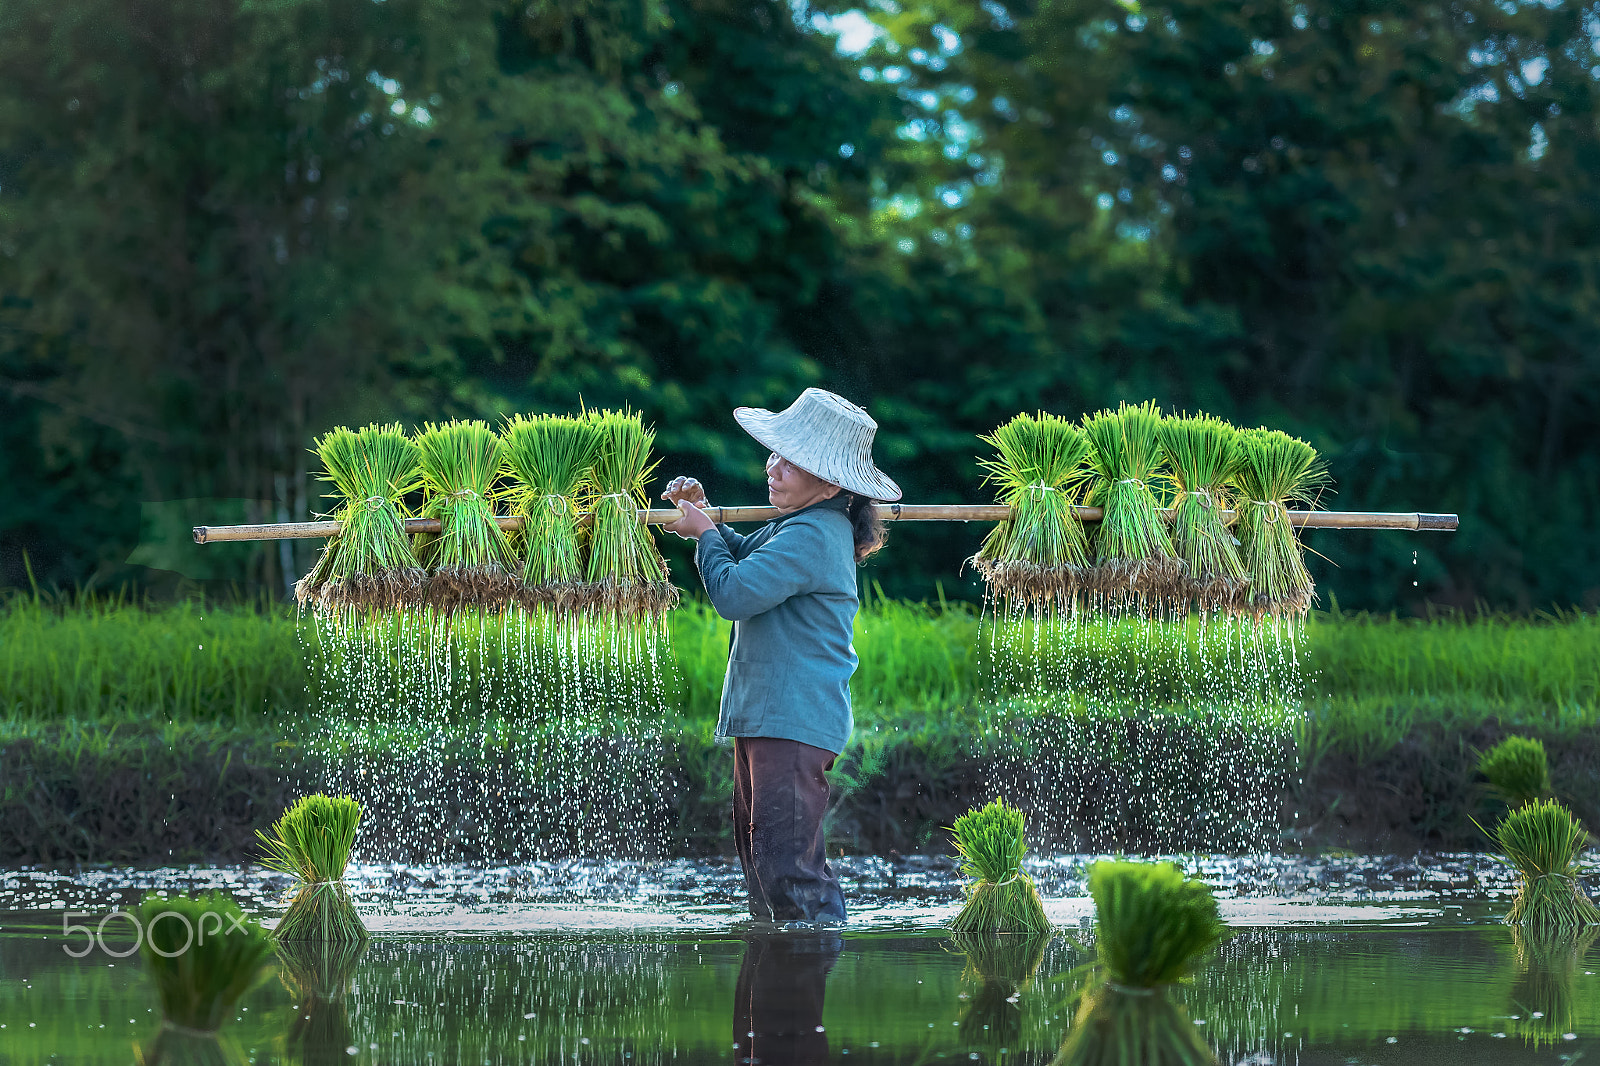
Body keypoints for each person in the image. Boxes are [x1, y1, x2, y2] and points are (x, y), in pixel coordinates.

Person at [661, 388, 901, 925]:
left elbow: (735, 592)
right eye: (774, 454)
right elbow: (746, 556)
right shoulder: (798, 527)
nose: (773, 468)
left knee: (789, 872)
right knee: (762, 865)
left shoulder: (816, 534)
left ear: (832, 482)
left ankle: (802, 982)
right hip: (771, 718)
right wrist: (705, 522)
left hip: (792, 722)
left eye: (790, 461)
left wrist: (704, 535)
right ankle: (773, 991)